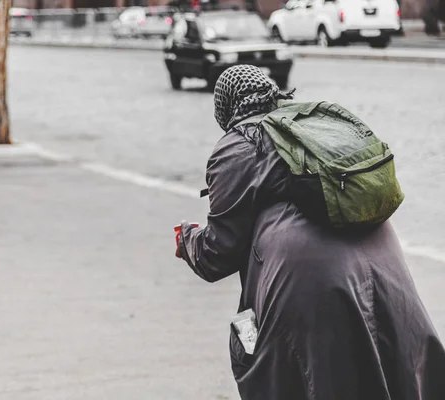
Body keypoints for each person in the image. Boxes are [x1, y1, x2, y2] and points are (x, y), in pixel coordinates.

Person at [175, 65, 445, 400]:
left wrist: (186, 238)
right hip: (385, 258)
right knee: (396, 369)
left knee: (318, 378)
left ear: (226, 109)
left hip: (312, 278)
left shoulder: (240, 143)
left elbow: (218, 253)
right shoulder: (308, 124)